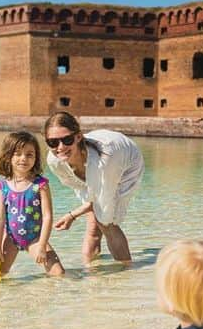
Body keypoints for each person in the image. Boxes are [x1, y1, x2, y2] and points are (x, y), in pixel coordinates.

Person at [43, 112, 144, 265]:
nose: (60, 147)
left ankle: (126, 271)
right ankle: (90, 271)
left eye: (67, 139)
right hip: (98, 161)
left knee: (106, 223)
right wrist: (77, 213)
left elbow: (103, 200)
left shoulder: (104, 161)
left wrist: (72, 215)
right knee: (93, 224)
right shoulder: (54, 161)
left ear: (78, 137)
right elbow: (86, 192)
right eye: (53, 143)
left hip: (127, 162)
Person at [0, 130, 64, 277]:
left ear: (36, 158)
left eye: (29, 154)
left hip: (35, 238)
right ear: (8, 156)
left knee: (59, 273)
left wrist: (42, 245)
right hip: (11, 239)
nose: (23, 158)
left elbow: (48, 216)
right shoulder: (2, 187)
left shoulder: (40, 184)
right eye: (18, 154)